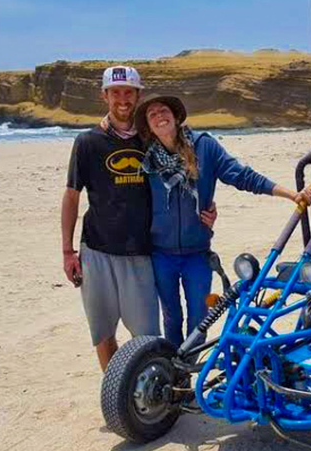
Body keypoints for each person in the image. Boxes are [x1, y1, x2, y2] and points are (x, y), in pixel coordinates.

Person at [61, 67, 214, 371]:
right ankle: (116, 390)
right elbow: (72, 196)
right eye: (115, 92)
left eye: (129, 92)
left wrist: (207, 206)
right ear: (104, 95)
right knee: (103, 332)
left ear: (138, 96)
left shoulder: (150, 140)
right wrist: (67, 251)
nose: (122, 99)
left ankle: (146, 395)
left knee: (145, 337)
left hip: (143, 251)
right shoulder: (87, 142)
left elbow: (186, 171)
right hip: (96, 250)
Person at [134, 94, 311, 348]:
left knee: (200, 320)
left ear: (175, 116)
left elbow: (242, 176)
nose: (159, 117)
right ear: (149, 127)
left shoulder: (204, 147)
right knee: (171, 319)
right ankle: (178, 380)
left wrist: (291, 194)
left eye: (163, 111)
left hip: (197, 254)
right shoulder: (145, 159)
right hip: (161, 255)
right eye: (152, 115)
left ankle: (183, 369)